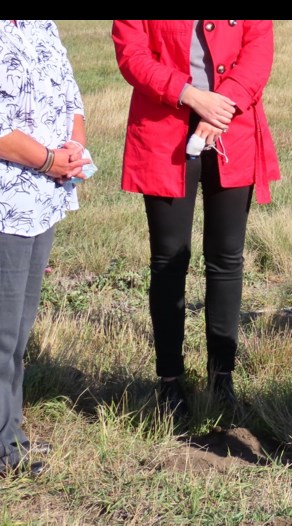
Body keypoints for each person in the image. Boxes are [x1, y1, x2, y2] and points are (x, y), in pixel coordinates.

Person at [112, 20, 280, 421]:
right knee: (168, 261)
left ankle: (222, 379)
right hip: (162, 130)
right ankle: (169, 382)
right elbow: (131, 53)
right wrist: (188, 95)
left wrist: (221, 107)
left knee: (226, 259)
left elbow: (258, 50)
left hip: (231, 127)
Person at [0, 20, 92, 477]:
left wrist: (74, 147)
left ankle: (10, 433)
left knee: (18, 331)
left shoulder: (40, 25)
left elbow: (71, 97)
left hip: (42, 200)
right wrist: (50, 160)